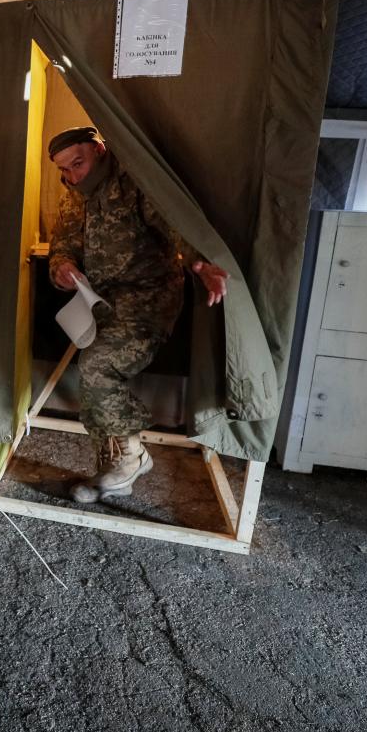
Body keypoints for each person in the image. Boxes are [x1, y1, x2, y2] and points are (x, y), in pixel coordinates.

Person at [47, 126, 229, 503]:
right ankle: (114, 470)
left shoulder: (134, 181)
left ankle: (131, 457)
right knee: (91, 372)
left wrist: (201, 263)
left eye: (77, 164)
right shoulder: (74, 195)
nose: (72, 176)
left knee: (98, 366)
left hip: (149, 297)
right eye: (64, 170)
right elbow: (62, 244)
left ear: (98, 149)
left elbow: (176, 226)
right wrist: (62, 268)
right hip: (99, 300)